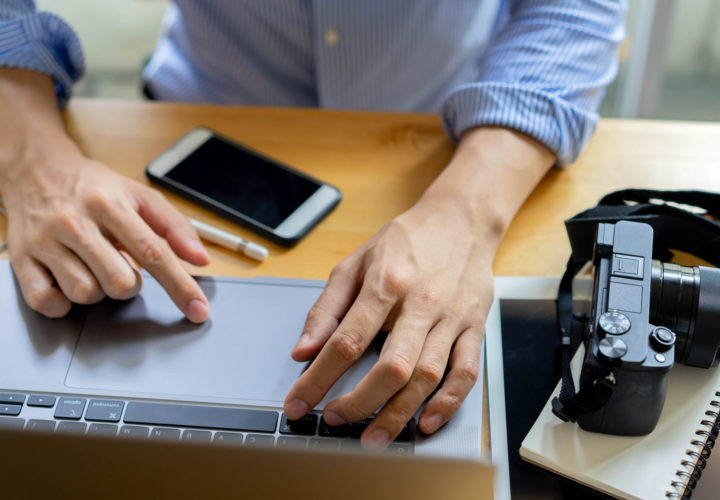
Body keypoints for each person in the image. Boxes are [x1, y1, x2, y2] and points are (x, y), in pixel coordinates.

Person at [0, 1, 626, 449]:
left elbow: (575, 10)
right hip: (197, 109)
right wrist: (31, 160)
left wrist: (466, 213)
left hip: (451, 141)